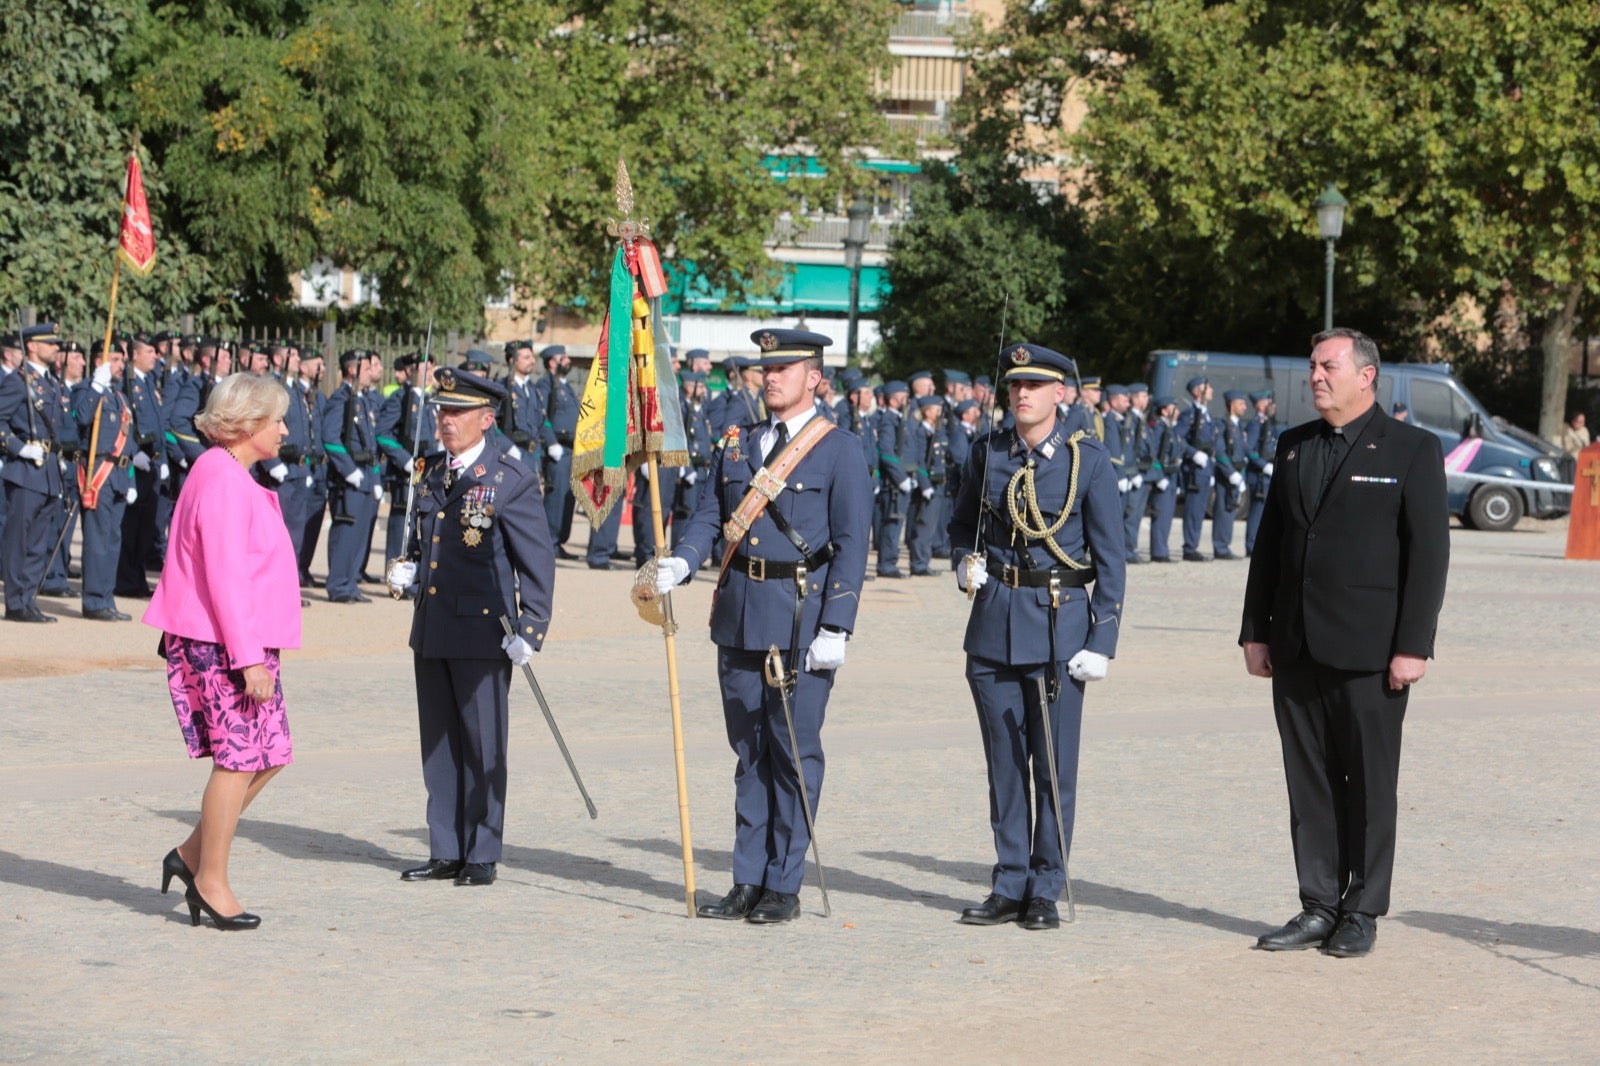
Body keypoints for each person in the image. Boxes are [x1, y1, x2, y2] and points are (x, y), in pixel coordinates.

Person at [648, 328, 872, 924]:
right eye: (765, 368)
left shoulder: (839, 450)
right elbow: (710, 517)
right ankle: (747, 877)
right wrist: (684, 560)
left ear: (815, 378)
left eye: (785, 368)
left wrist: (838, 626)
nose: (769, 377)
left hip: (800, 618)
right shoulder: (737, 443)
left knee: (792, 752)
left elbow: (851, 546)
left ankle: (783, 882)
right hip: (739, 613)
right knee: (748, 752)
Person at [1240, 327, 1449, 959]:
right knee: (1308, 782)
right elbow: (1270, 545)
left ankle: (1362, 909)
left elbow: (1428, 556)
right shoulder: (1294, 446)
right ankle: (1317, 903)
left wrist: (1413, 646)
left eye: (1328, 365)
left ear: (1367, 376)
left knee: (1369, 783)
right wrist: (1255, 630)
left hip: (1371, 652)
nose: (1315, 376)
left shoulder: (1412, 448)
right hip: (1297, 644)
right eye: (1312, 366)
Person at [948, 342, 1126, 931]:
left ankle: (1046, 884)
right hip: (995, 622)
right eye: (1015, 385)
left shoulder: (1087, 461)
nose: (1021, 394)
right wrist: (963, 562)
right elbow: (961, 526)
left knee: (1051, 766)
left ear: (1061, 394)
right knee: (1004, 765)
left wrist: (1102, 640)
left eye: (1035, 385)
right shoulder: (988, 453)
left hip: (1058, 627)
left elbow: (1111, 559)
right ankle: (1010, 880)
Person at [143, 372, 302, 930]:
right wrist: (249, 657)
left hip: (235, 638)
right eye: (277, 419)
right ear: (248, 424)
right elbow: (227, 578)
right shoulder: (222, 479)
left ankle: (190, 855)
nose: (285, 430)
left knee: (271, 753)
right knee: (237, 763)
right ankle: (210, 879)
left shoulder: (226, 472)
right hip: (224, 643)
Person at [385, 368, 556, 887]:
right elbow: (425, 540)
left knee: (483, 742)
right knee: (439, 743)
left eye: (457, 412)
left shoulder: (510, 476)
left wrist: (532, 628)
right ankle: (446, 847)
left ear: (487, 418)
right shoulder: (431, 471)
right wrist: (407, 567)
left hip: (484, 630)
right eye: (442, 410)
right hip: (434, 625)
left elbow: (537, 561)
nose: (446, 420)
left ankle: (481, 849)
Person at [0, 324, 66, 622]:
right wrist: (18, 447)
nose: (56, 347)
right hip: (25, 470)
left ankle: (28, 598)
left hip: (48, 471)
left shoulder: (50, 382)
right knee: (20, 540)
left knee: (39, 542)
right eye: (49, 343)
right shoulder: (17, 382)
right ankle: (15, 602)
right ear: (31, 347)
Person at [71, 340, 139, 620]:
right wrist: (95, 388)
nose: (120, 365)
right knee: (98, 541)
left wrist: (132, 479)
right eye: (114, 359)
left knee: (112, 540)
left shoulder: (120, 397)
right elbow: (81, 418)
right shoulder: (88, 390)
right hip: (99, 472)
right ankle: (94, 601)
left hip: (120, 475)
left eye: (122, 360)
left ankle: (106, 597)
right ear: (98, 361)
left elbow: (129, 443)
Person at [321, 348, 383, 603]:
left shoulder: (362, 399)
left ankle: (350, 583)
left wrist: (376, 477)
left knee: (359, 534)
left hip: (366, 474)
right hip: (350, 479)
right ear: (352, 370)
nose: (370, 373)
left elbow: (371, 445)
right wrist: (349, 471)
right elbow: (330, 438)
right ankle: (338, 585)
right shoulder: (341, 399)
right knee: (346, 532)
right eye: (366, 368)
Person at [532, 345, 579, 556]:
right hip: (557, 449)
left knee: (567, 498)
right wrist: (551, 443)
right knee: (555, 498)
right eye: (563, 357)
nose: (567, 360)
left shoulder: (566, 386)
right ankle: (549, 542)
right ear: (552, 362)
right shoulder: (545, 385)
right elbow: (543, 417)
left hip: (571, 449)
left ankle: (559, 540)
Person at [1174, 375, 1219, 561]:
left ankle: (1193, 544)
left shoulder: (1206, 414)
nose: (1211, 390)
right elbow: (1177, 437)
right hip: (1195, 469)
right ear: (1197, 391)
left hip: (1205, 467)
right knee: (1193, 509)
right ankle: (1189, 547)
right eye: (1207, 387)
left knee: (1200, 509)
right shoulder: (1190, 414)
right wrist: (1193, 454)